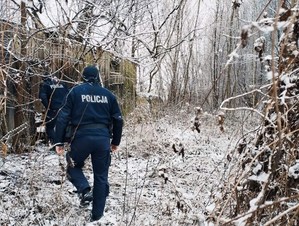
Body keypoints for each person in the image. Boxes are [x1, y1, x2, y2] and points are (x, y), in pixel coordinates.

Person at [54, 65, 123, 222]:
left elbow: (63, 117)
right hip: (102, 140)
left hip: (81, 139)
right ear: (98, 77)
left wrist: (59, 141)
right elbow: (118, 120)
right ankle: (97, 216)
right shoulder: (109, 95)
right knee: (101, 177)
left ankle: (84, 189)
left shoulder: (75, 92)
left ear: (82, 77)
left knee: (72, 167)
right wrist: (115, 141)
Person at [39, 72, 69, 145]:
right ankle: (63, 142)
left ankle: (55, 144)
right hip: (64, 109)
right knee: (63, 126)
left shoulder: (46, 85)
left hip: (53, 109)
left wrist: (48, 107)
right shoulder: (62, 84)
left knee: (50, 127)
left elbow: (42, 97)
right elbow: (69, 94)